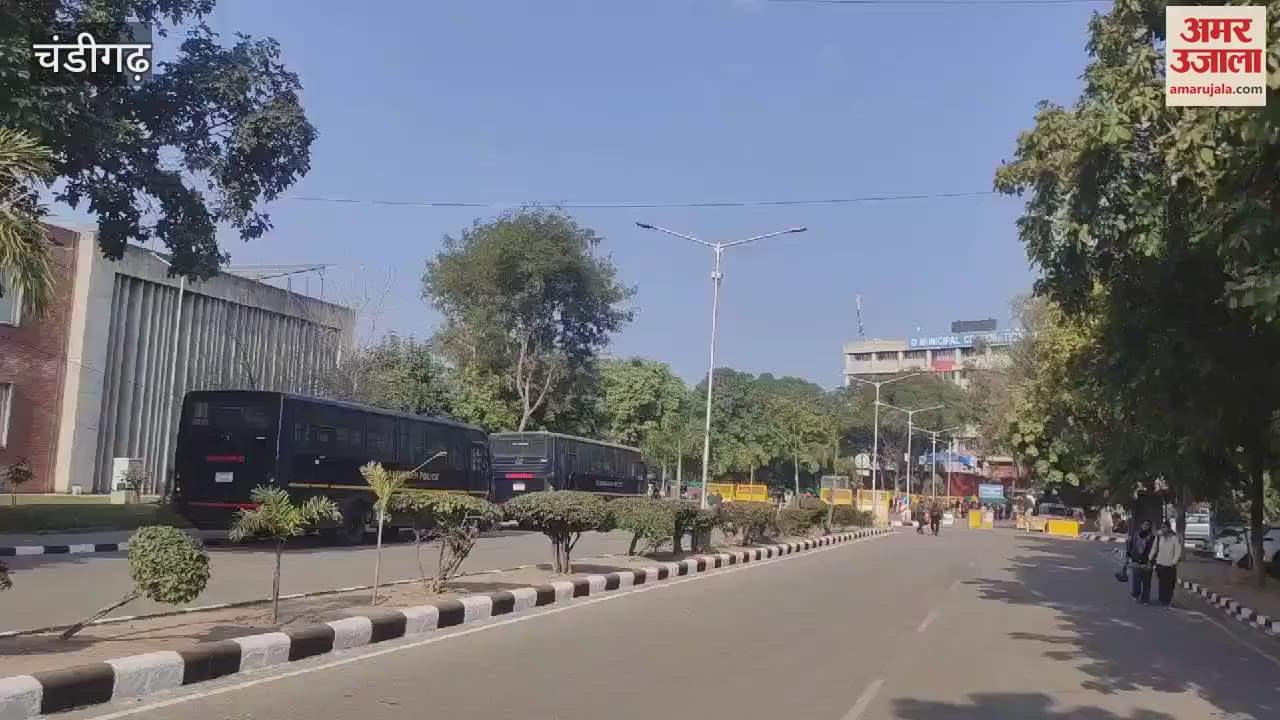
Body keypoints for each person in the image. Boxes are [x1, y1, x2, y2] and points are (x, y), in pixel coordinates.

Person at [1152, 520, 1184, 607]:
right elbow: (1154, 548)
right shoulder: (1159, 537)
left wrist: (1174, 561)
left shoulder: (1174, 538)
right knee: (1162, 583)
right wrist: (1150, 558)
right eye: (1162, 527)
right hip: (1160, 564)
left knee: (1170, 584)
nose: (1163, 529)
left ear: (1169, 528)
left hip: (1170, 565)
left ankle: (1168, 599)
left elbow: (1178, 551)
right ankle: (1162, 600)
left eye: (1164, 527)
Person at [1126, 520, 1157, 604]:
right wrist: (1128, 556)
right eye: (1145, 524)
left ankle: (1145, 599)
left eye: (1148, 525)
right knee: (1136, 580)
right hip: (1136, 561)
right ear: (1141, 525)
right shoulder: (1136, 536)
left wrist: (1151, 561)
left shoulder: (1152, 537)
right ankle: (1136, 595)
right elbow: (1130, 546)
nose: (1146, 526)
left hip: (1147, 562)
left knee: (1147, 582)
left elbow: (1154, 550)